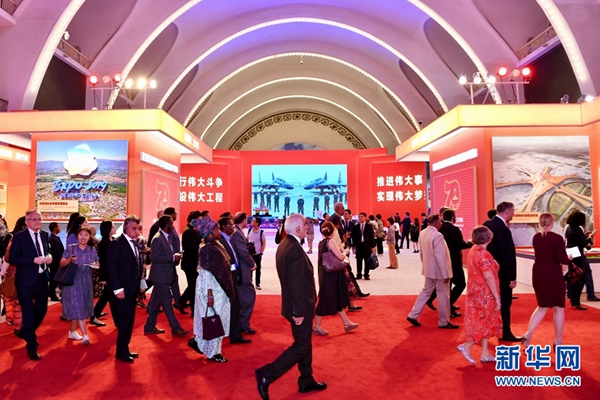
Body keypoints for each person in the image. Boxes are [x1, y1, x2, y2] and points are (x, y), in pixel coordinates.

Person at [255, 214, 327, 399]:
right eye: (305, 224)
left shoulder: (285, 245)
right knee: (301, 346)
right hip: (299, 308)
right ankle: (267, 374)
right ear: (297, 229)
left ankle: (306, 379)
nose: (308, 227)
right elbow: (295, 283)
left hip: (295, 305)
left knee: (304, 343)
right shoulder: (293, 248)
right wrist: (298, 311)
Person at [521, 213, 572, 348]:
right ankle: (558, 340)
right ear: (552, 223)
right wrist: (569, 258)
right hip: (553, 274)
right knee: (559, 308)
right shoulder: (557, 238)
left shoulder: (536, 237)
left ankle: (528, 334)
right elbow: (563, 259)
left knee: (541, 306)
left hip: (538, 273)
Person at [188, 218, 235, 362]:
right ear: (209, 233)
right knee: (215, 320)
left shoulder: (215, 244)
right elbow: (206, 273)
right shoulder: (207, 248)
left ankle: (199, 342)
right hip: (212, 289)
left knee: (218, 319)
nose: (219, 231)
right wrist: (209, 296)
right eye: (216, 229)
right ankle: (214, 353)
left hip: (219, 288)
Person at [457, 226, 502, 364]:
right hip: (485, 294)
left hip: (475, 292)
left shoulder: (474, 250)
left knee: (484, 321)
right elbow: (488, 276)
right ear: (488, 238)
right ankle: (466, 346)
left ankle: (485, 353)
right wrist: (497, 297)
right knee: (483, 322)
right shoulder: (483, 254)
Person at [11, 210, 52, 361]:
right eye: (33, 219)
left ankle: (25, 332)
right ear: (26, 222)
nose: (37, 222)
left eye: (39, 219)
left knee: (42, 309)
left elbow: (46, 251)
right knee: (28, 312)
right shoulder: (19, 237)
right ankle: (32, 346)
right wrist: (33, 260)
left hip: (41, 279)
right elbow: (13, 258)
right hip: (25, 281)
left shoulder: (44, 235)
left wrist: (49, 257)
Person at [406, 214, 457, 329]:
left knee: (425, 292)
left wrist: (425, 266)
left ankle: (413, 315)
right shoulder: (438, 235)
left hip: (428, 269)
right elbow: (440, 256)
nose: (441, 224)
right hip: (439, 271)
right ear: (436, 222)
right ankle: (444, 321)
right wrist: (445, 274)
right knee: (443, 295)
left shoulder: (423, 233)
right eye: (440, 222)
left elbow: (421, 253)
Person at [144, 215, 189, 337]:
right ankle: (176, 328)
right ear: (167, 225)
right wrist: (172, 257)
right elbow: (154, 258)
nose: (173, 226)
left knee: (155, 302)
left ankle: (149, 326)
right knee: (167, 303)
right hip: (160, 277)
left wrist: (175, 257)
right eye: (172, 223)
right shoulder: (158, 239)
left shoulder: (166, 237)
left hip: (165, 275)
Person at [483, 202, 521, 342]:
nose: (514, 213)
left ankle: (487, 331)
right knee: (505, 303)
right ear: (507, 211)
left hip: (488, 271)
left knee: (490, 302)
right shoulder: (503, 229)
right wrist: (512, 276)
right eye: (513, 211)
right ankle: (505, 332)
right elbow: (507, 255)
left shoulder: (487, 224)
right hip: (502, 273)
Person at [107, 215, 143, 363]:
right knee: (125, 321)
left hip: (131, 288)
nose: (137, 231)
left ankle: (124, 349)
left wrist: (140, 285)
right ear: (125, 228)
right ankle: (121, 351)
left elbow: (136, 266)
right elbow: (112, 267)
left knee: (129, 320)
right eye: (134, 228)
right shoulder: (117, 243)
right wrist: (118, 288)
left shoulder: (134, 243)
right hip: (122, 290)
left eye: (138, 228)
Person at [312, 222, 358, 335]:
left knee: (334, 297)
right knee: (325, 299)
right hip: (331, 275)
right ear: (333, 231)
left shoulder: (321, 243)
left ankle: (346, 322)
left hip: (326, 274)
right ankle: (317, 325)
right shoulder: (330, 241)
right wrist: (346, 252)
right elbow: (340, 257)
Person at [427, 209, 473, 317]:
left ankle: (447, 305)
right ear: (453, 217)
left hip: (442, 261)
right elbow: (461, 245)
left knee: (448, 284)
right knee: (461, 284)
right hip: (454, 262)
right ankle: (448, 305)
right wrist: (471, 242)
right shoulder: (454, 229)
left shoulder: (439, 229)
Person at [59, 226, 99, 345]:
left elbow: (97, 263)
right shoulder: (71, 248)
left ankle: (72, 332)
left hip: (86, 282)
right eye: (81, 234)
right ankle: (85, 335)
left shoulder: (92, 249)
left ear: (89, 237)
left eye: (86, 235)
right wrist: (69, 260)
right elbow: (61, 263)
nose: (83, 237)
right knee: (78, 306)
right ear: (77, 236)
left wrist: (96, 265)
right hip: (72, 282)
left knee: (80, 308)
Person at [217, 216, 251, 344]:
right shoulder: (221, 241)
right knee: (233, 305)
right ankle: (234, 334)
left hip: (234, 274)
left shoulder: (229, 238)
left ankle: (234, 333)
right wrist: (232, 270)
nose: (233, 227)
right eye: (230, 225)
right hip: (228, 277)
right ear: (223, 227)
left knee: (235, 306)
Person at [231, 212, 257, 334]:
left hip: (241, 268)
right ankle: (243, 324)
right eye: (247, 219)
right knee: (248, 296)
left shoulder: (237, 232)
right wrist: (252, 264)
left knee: (244, 296)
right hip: (242, 269)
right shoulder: (236, 233)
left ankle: (241, 323)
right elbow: (243, 252)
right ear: (243, 220)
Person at [565, 211, 596, 309]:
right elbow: (582, 243)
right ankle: (576, 301)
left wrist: (585, 238)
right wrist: (590, 238)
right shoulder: (577, 229)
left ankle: (573, 299)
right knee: (580, 278)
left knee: (575, 276)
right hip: (578, 254)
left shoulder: (569, 228)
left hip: (572, 253)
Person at [2, 217, 27, 336]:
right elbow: (7, 258)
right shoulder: (17, 239)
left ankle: (12, 320)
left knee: (14, 300)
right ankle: (18, 326)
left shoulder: (15, 238)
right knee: (17, 301)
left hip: (13, 274)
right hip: (17, 274)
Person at [91, 220, 115, 326]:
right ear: (108, 229)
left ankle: (95, 314)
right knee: (106, 295)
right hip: (108, 273)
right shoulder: (104, 243)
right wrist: (103, 277)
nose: (114, 228)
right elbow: (103, 261)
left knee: (107, 295)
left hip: (112, 272)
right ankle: (94, 315)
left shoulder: (112, 240)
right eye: (112, 227)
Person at [180, 210, 202, 314]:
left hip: (192, 263)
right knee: (193, 287)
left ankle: (181, 301)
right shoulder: (188, 231)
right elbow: (192, 248)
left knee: (193, 285)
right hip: (190, 264)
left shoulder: (192, 230)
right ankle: (193, 310)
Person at [350, 212, 376, 280]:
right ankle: (359, 274)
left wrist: (373, 246)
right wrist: (353, 246)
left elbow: (371, 237)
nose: (360, 218)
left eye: (362, 216)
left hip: (367, 245)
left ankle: (366, 274)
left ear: (365, 218)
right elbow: (354, 237)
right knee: (359, 261)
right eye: (359, 217)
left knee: (367, 261)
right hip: (359, 246)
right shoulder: (356, 227)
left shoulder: (369, 226)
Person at [247, 216, 266, 289]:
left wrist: (261, 252)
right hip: (250, 254)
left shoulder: (261, 232)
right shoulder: (249, 231)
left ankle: (257, 283)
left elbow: (264, 243)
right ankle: (250, 282)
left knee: (258, 269)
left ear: (257, 223)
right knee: (250, 269)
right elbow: (247, 240)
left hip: (257, 254)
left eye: (254, 221)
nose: (252, 222)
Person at [47, 222, 63, 302]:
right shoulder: (52, 239)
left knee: (56, 278)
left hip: (58, 261)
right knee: (54, 279)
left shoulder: (56, 237)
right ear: (54, 228)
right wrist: (62, 258)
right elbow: (55, 252)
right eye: (58, 227)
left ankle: (51, 292)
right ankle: (52, 294)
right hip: (55, 262)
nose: (59, 228)